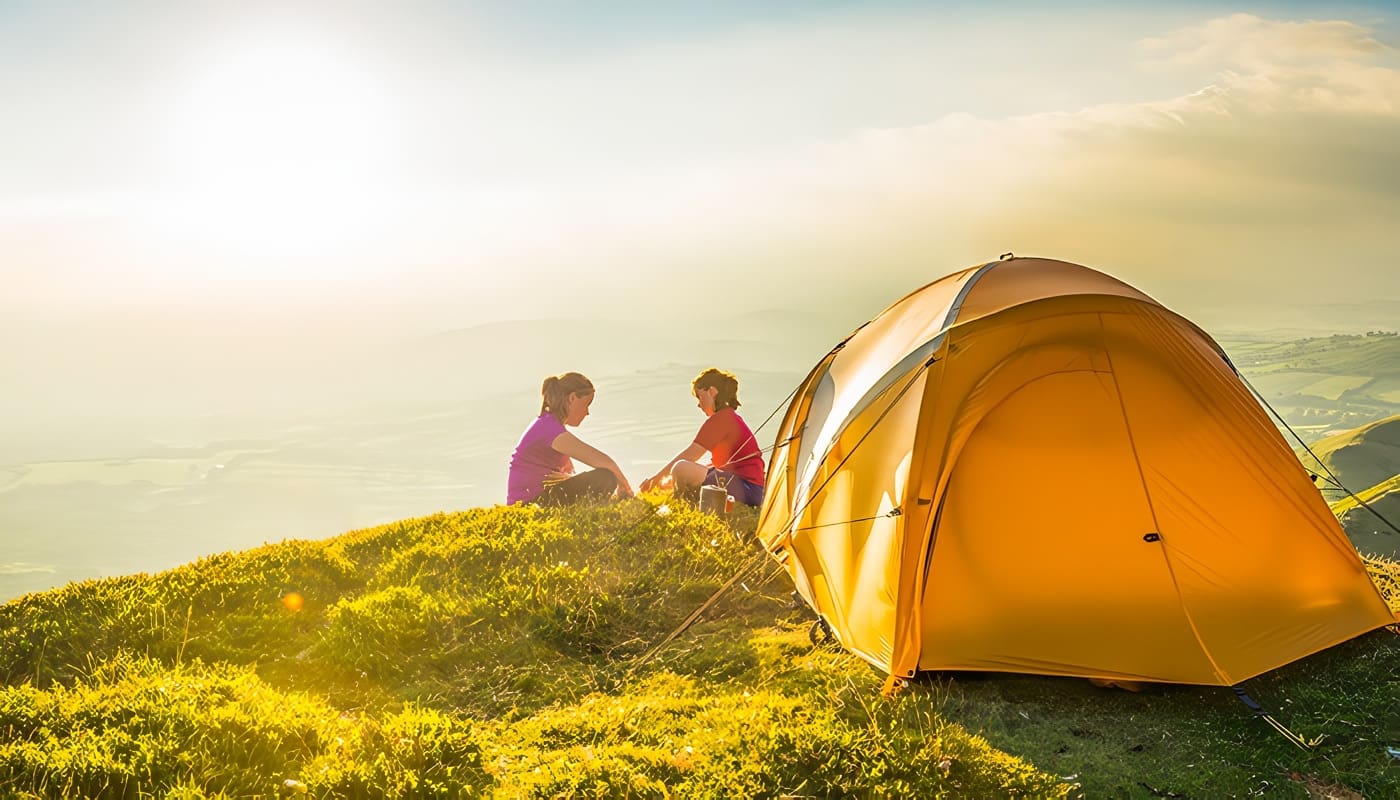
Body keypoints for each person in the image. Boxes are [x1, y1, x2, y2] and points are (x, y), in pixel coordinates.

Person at [639, 367, 766, 506]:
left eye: (700, 397)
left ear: (712, 392)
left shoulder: (721, 419)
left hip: (746, 490)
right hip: (752, 490)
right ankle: (685, 502)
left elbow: (690, 455)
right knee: (693, 468)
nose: (699, 404)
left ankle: (682, 505)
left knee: (680, 467)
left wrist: (656, 480)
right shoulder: (731, 417)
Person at [507, 372, 634, 506]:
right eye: (587, 404)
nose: (587, 412)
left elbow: (569, 474)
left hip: (535, 501)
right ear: (572, 398)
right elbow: (605, 462)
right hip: (530, 505)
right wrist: (625, 488)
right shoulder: (550, 429)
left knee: (602, 478)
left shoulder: (549, 425)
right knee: (605, 477)